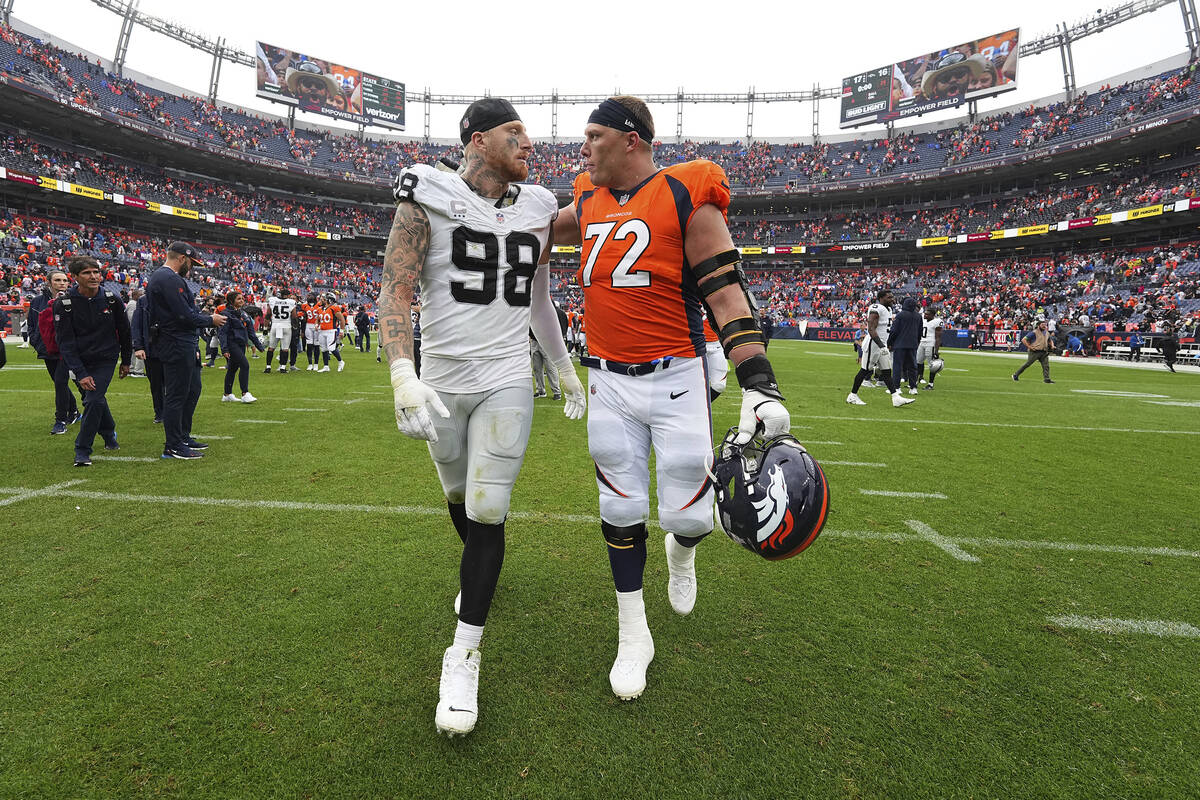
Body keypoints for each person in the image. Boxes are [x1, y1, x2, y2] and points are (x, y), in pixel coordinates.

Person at [551, 96, 790, 702]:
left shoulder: (686, 193)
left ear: (632, 140)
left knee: (690, 515)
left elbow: (727, 296)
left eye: (594, 135)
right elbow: (526, 235)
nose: (583, 148)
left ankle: (681, 553)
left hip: (676, 375)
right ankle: (634, 632)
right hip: (607, 379)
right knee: (620, 505)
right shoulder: (584, 197)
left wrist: (759, 384)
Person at [379, 98, 585, 737]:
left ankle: (464, 651)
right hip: (442, 383)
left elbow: (542, 299)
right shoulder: (425, 193)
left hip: (505, 380)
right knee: (459, 499)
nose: (530, 141)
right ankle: (481, 572)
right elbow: (396, 288)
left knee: (489, 508)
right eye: (513, 130)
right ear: (475, 139)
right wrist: (400, 371)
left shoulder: (540, 206)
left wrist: (560, 365)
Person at [144, 241, 226, 459]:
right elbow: (183, 315)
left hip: (182, 341)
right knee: (177, 394)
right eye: (191, 263)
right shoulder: (168, 278)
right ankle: (173, 445)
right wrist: (210, 319)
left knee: (192, 389)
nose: (191, 268)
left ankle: (181, 436)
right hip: (175, 341)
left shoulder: (168, 278)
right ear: (182, 258)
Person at [52, 256, 132, 466]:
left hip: (106, 358)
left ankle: (82, 449)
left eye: (96, 271)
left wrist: (126, 360)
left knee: (94, 400)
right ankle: (108, 434)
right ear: (75, 277)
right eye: (87, 273)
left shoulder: (111, 299)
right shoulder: (64, 304)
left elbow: (124, 332)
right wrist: (80, 372)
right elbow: (65, 342)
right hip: (80, 360)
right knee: (96, 400)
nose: (94, 276)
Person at [28, 269, 82, 433]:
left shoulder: (73, 300)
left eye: (65, 280)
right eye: (58, 280)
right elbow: (31, 324)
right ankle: (74, 411)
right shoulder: (37, 301)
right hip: (46, 349)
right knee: (60, 383)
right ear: (49, 282)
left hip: (66, 350)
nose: (62, 283)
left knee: (60, 382)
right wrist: (36, 341)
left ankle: (60, 421)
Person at [847, 289, 914, 407]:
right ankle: (852, 395)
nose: (892, 299)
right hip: (874, 343)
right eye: (889, 297)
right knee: (865, 370)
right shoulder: (876, 308)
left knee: (887, 372)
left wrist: (886, 344)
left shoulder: (888, 309)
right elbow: (871, 329)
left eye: (892, 297)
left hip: (882, 344)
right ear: (881, 298)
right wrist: (881, 345)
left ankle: (895, 398)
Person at [219, 289, 264, 403]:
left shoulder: (244, 313)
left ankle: (227, 394)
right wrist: (224, 348)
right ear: (231, 301)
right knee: (245, 365)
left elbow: (251, 332)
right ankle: (245, 394)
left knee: (233, 369)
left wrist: (259, 345)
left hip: (241, 344)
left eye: (242, 298)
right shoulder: (225, 314)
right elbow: (223, 332)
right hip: (231, 343)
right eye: (238, 299)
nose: (242, 300)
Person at [887, 297, 922, 395]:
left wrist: (889, 342)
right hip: (913, 344)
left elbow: (894, 331)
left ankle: (897, 388)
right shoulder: (918, 316)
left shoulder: (900, 315)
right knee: (912, 366)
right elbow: (920, 332)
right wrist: (917, 342)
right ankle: (913, 387)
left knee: (898, 366)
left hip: (900, 344)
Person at [263, 287, 296, 373]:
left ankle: (268, 367)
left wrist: (265, 328)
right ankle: (283, 368)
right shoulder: (291, 302)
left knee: (271, 348)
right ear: (287, 295)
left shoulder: (273, 300)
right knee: (285, 348)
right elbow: (294, 316)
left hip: (276, 326)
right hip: (286, 326)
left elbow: (268, 315)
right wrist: (295, 327)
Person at [1012, 316, 1054, 383]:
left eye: (1045, 325)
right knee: (1027, 364)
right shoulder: (1034, 332)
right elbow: (1024, 340)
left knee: (1046, 366)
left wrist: (1052, 345)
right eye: (1042, 325)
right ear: (1038, 325)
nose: (1044, 326)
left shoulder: (1047, 333)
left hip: (1043, 352)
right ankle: (1016, 375)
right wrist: (1030, 347)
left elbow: (1050, 340)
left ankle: (1047, 379)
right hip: (1034, 351)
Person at [916, 306, 942, 389]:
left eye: (927, 314)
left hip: (930, 344)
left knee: (932, 364)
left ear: (932, 315)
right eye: (925, 314)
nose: (925, 315)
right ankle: (915, 381)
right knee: (918, 362)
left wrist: (936, 350)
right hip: (922, 343)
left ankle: (931, 384)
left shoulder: (937, 322)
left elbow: (938, 337)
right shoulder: (922, 320)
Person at [529, 329, 560, 399]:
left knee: (550, 367)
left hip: (547, 340)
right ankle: (540, 390)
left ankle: (556, 391)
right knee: (536, 368)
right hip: (534, 340)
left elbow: (562, 322)